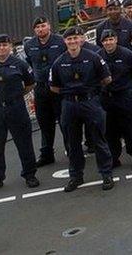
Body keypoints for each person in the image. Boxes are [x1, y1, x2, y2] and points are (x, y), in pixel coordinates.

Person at [49, 26, 115, 192]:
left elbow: (106, 78)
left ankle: (106, 174)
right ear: (65, 41)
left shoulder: (93, 57)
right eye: (69, 39)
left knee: (99, 139)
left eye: (75, 38)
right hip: (70, 105)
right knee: (73, 143)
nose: (72, 42)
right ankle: (76, 176)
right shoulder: (59, 62)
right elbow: (54, 87)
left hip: (90, 102)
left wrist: (90, 92)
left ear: (81, 39)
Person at [0, 34, 39, 195]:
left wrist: (15, 96)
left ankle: (30, 174)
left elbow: (30, 84)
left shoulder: (19, 64)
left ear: (10, 47)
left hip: (16, 108)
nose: (2, 48)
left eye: (5, 45)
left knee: (24, 143)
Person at [97, 29, 132, 171]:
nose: (108, 43)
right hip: (106, 98)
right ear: (102, 42)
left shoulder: (127, 54)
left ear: (116, 40)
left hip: (124, 96)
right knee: (110, 130)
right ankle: (114, 157)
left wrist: (128, 87)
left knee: (130, 127)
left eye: (111, 40)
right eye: (105, 40)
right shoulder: (98, 57)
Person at [22, 16, 66, 166]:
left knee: (64, 121)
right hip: (41, 88)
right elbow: (28, 63)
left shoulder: (60, 41)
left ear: (49, 26)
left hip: (59, 87)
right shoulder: (29, 45)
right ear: (34, 30)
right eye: (37, 27)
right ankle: (47, 154)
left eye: (43, 26)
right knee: (44, 122)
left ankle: (71, 150)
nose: (40, 29)